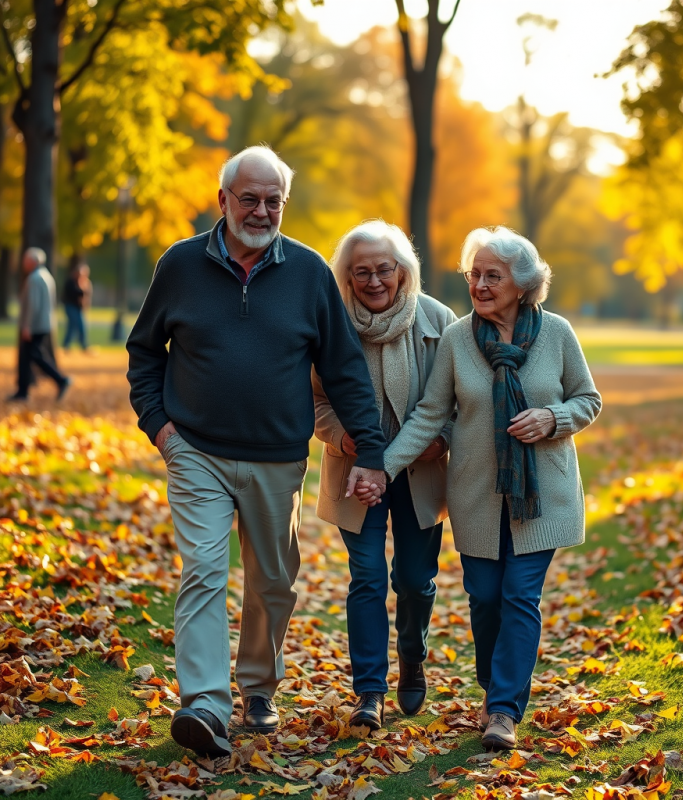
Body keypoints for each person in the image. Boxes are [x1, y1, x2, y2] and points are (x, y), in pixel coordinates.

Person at [126, 145, 388, 760]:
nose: (263, 211)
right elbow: (145, 353)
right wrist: (162, 430)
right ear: (223, 201)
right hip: (196, 451)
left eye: (274, 201)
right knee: (204, 572)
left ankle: (258, 688)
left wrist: (371, 450)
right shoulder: (181, 266)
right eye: (251, 199)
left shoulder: (309, 272)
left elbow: (345, 369)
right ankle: (206, 707)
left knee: (273, 582)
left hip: (277, 458)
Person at [356, 226, 601, 750]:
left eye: (494, 275)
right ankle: (494, 688)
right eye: (475, 274)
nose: (481, 285)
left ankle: (505, 710)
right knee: (486, 597)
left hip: (543, 495)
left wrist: (553, 418)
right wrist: (383, 467)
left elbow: (587, 399)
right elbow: (429, 414)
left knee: (519, 595)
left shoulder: (556, 334)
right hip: (477, 495)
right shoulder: (457, 337)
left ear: (523, 283)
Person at [313, 220, 457, 731]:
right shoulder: (332, 324)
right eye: (361, 273)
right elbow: (315, 401)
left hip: (420, 472)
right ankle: (369, 690)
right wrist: (342, 438)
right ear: (347, 279)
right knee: (368, 578)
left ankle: (413, 659)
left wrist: (442, 441)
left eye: (384, 270)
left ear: (403, 272)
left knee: (415, 581)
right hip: (358, 475)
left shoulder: (439, 320)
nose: (374, 281)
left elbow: (463, 401)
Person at [7, 248, 71, 402]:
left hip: (35, 325)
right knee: (29, 357)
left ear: (32, 261)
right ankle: (23, 390)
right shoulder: (47, 276)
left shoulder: (34, 278)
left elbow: (33, 305)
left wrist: (27, 326)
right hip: (43, 323)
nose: (23, 263)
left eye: (25, 260)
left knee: (34, 356)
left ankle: (60, 380)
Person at [63, 262, 92, 351]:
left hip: (79, 308)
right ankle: (68, 344)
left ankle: (80, 344)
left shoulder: (85, 282)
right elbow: (76, 293)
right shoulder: (71, 282)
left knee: (78, 326)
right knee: (74, 325)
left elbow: (87, 295)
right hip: (71, 306)